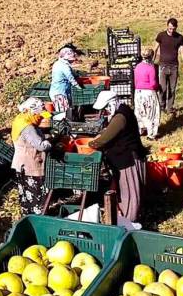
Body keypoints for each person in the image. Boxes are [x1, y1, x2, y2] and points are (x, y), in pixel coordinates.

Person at [89, 90, 148, 222]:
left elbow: (103, 139)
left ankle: (128, 222)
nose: (103, 113)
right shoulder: (123, 109)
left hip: (127, 159)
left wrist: (91, 143)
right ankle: (124, 217)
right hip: (127, 155)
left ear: (111, 104)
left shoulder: (120, 117)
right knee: (125, 190)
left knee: (128, 193)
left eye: (105, 109)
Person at [11, 97, 53, 215]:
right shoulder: (28, 127)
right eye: (39, 116)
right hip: (30, 166)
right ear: (32, 112)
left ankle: (27, 216)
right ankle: (39, 219)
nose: (41, 118)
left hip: (21, 164)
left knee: (26, 196)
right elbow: (40, 146)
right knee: (36, 197)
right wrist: (51, 142)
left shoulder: (20, 118)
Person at [153, 18, 183, 115]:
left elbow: (182, 52)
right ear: (167, 26)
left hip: (174, 67)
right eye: (169, 28)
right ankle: (161, 106)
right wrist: (151, 63)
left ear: (176, 27)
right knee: (163, 88)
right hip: (163, 66)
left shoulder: (179, 38)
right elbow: (155, 49)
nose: (171, 31)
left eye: (173, 29)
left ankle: (169, 108)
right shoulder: (161, 36)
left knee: (172, 89)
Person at [49, 46, 83, 120]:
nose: (72, 61)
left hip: (59, 91)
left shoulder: (58, 63)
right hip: (59, 94)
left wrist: (77, 75)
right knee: (63, 114)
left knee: (67, 112)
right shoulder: (64, 66)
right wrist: (79, 87)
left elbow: (72, 73)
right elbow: (71, 78)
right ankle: (63, 128)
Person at [134, 49, 160, 141]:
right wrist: (158, 87)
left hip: (138, 92)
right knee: (152, 113)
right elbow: (153, 83)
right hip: (148, 93)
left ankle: (140, 130)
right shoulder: (151, 68)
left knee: (140, 112)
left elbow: (135, 81)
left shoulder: (137, 67)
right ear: (151, 56)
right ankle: (151, 134)